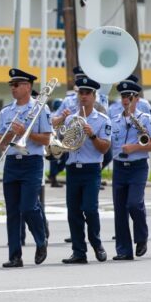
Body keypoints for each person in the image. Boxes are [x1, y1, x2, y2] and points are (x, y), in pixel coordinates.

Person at [0, 69, 51, 268]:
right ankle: (14, 255)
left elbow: (46, 138)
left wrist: (25, 134)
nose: (13, 88)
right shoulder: (6, 111)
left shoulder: (40, 109)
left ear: (28, 86)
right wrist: (12, 134)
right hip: (12, 162)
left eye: (17, 84)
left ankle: (40, 240)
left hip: (32, 161)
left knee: (28, 206)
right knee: (12, 211)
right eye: (11, 85)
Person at [109, 81, 151, 260]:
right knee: (119, 209)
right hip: (119, 167)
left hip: (138, 166)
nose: (126, 100)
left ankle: (141, 237)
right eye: (123, 97)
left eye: (130, 97)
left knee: (134, 203)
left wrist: (135, 147)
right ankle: (124, 250)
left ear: (137, 99)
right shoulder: (115, 120)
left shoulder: (145, 119)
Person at [61, 77, 111, 264]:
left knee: (90, 209)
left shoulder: (102, 120)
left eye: (87, 93)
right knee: (73, 212)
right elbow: (65, 144)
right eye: (81, 93)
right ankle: (78, 251)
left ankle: (96, 243)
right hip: (73, 168)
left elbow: (105, 148)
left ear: (94, 96)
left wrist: (91, 135)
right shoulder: (69, 118)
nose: (83, 96)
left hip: (91, 169)